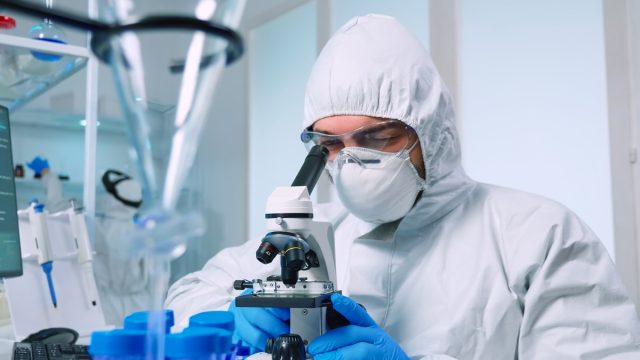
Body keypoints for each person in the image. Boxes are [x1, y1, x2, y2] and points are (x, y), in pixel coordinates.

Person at [165, 14, 640, 359]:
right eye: (331, 143)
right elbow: (188, 292)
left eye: (375, 137)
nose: (351, 160)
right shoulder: (322, 230)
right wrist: (233, 311)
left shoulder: (538, 235)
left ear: (429, 131)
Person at [93, 169, 153, 326]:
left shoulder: (105, 228)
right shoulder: (140, 229)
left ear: (113, 198)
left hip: (110, 304)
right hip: (140, 302)